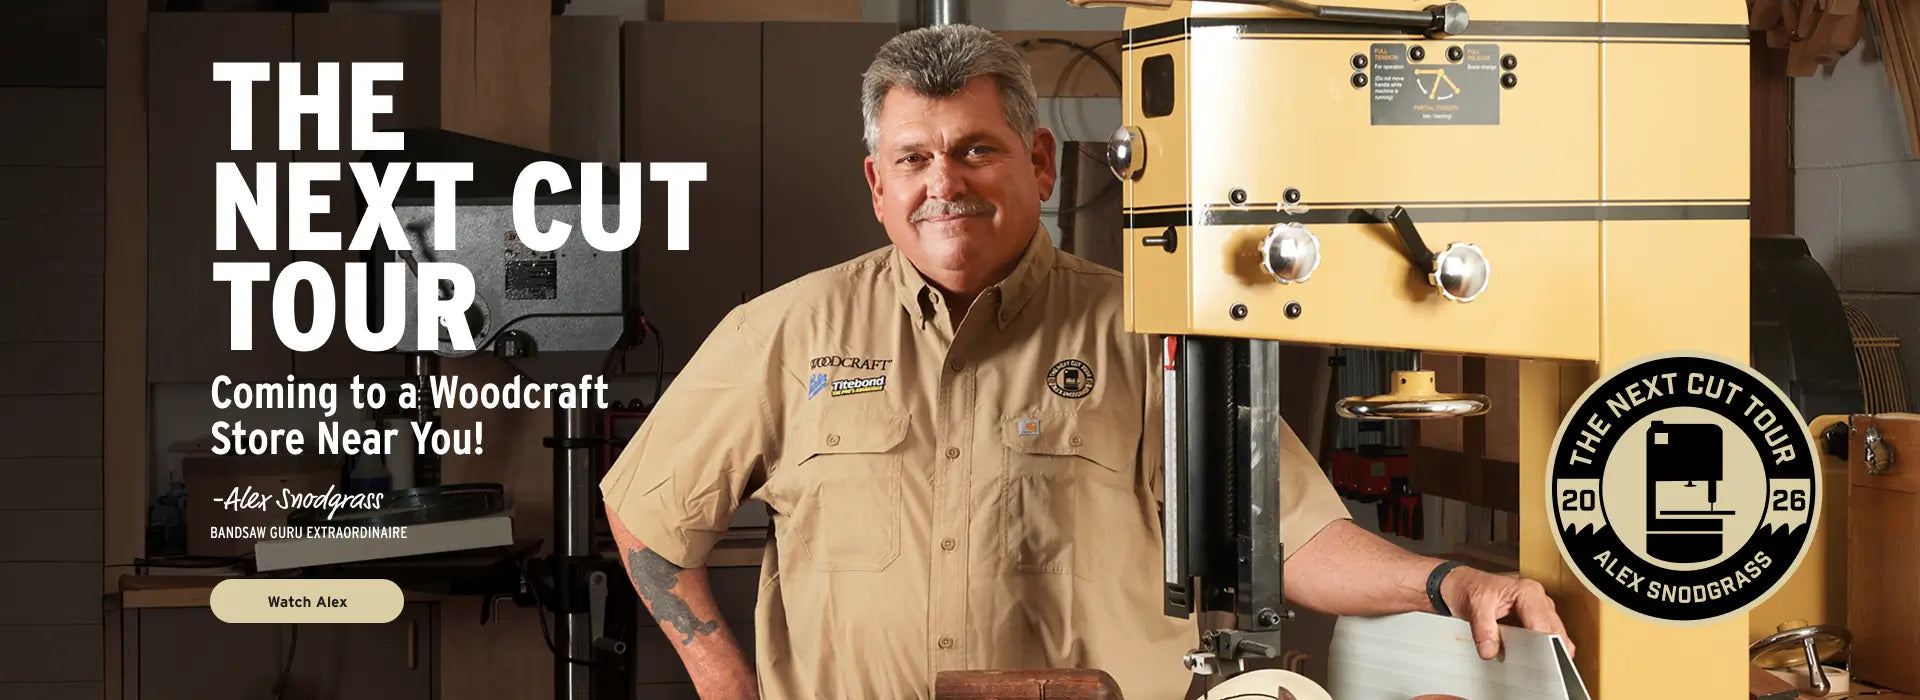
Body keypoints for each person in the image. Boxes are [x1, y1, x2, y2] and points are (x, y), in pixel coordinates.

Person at [599, 24, 1569, 700]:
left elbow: (1294, 534)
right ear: (876, 184)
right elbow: (645, 508)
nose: (945, 183)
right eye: (914, 158)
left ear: (1043, 163)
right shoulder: (784, 331)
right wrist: (728, 686)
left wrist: (1448, 582)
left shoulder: (1150, 335)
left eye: (977, 151)